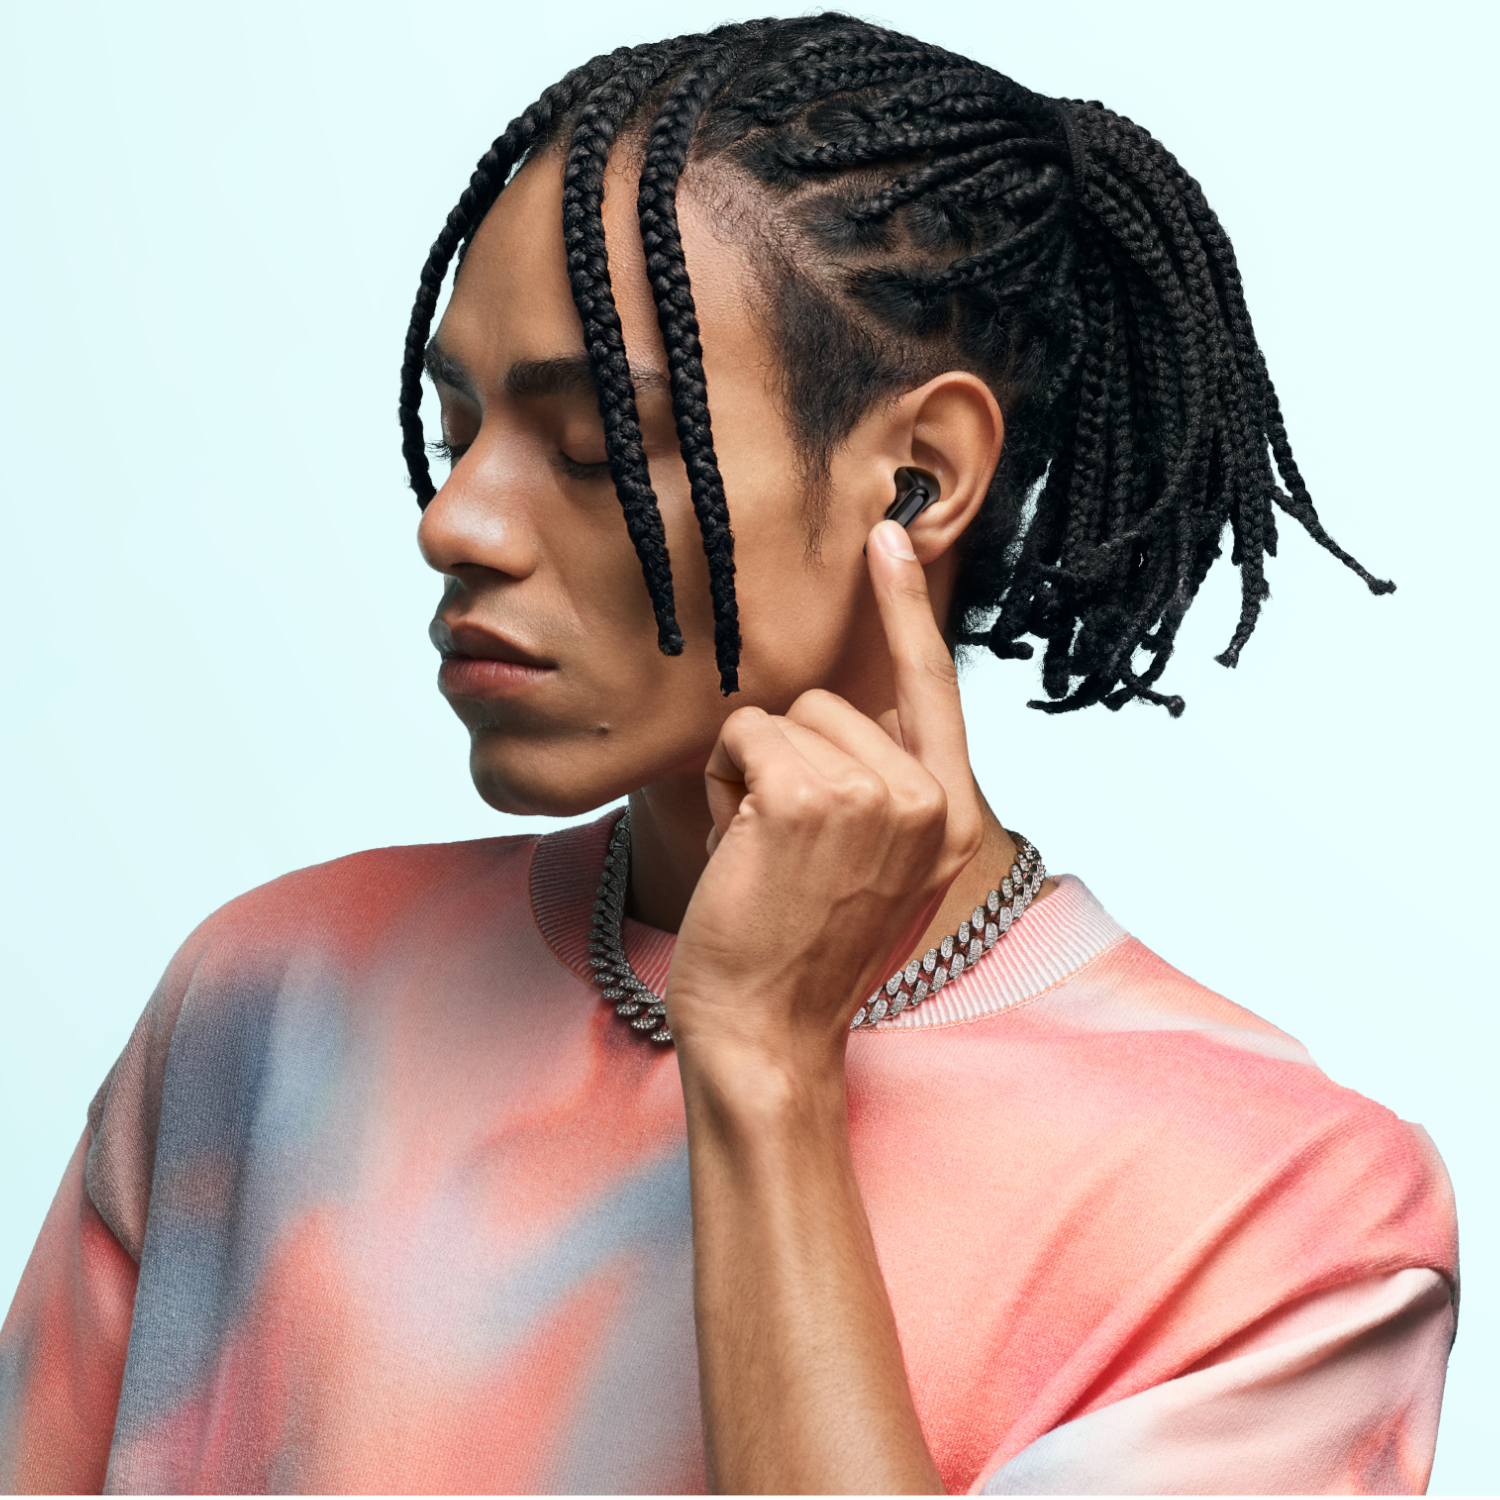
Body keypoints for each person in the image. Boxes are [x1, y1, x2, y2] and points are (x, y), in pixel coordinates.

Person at [0, 13, 1456, 1494]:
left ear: (917, 479)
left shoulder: (1277, 1216)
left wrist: (765, 1071)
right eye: (458, 430)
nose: (456, 523)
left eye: (595, 447)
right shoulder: (272, 1001)